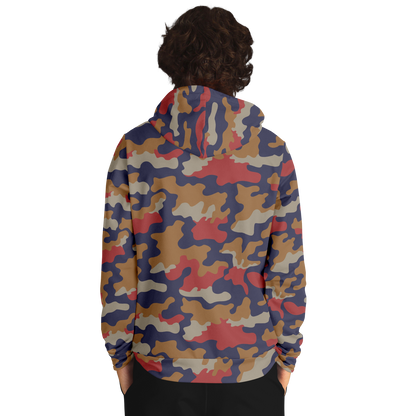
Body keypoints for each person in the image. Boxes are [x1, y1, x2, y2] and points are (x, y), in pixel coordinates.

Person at [98, 2, 309, 415]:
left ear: (172, 61)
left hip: (159, 373)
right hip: (251, 372)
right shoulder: (272, 151)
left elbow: (116, 266)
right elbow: (289, 268)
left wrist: (119, 361)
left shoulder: (135, 148)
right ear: (240, 65)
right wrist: (288, 362)